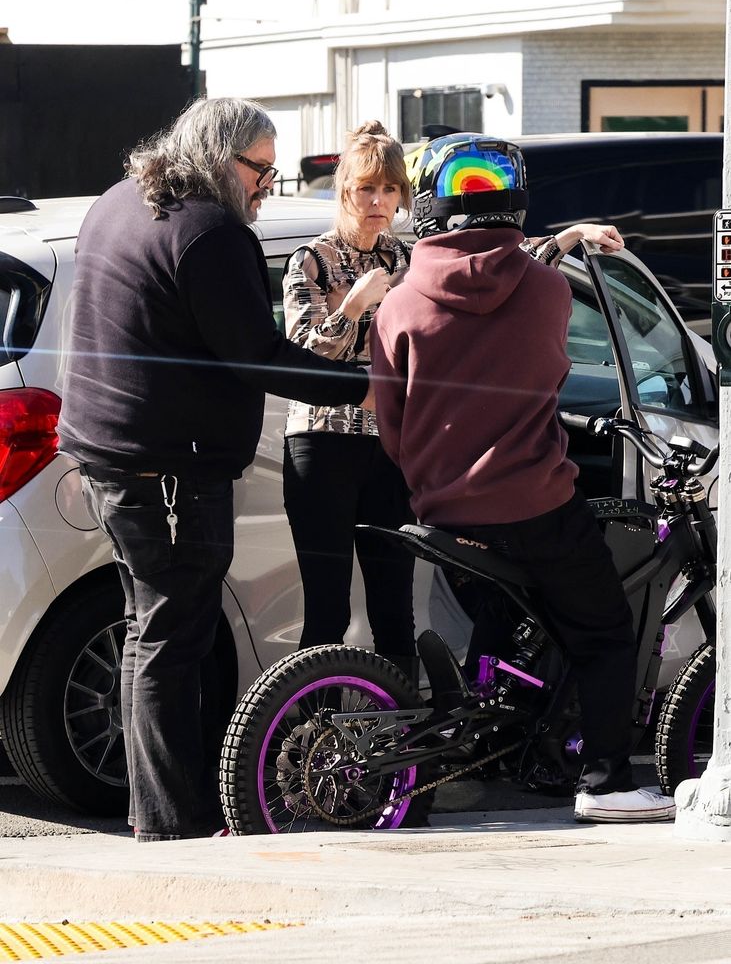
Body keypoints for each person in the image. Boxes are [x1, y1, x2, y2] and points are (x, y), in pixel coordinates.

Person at [56, 97, 373, 842]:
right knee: (172, 641)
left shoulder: (119, 200)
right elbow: (255, 357)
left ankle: (160, 814)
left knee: (152, 634)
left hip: (110, 452)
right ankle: (176, 826)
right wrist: (371, 386)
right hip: (169, 468)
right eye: (257, 168)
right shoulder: (211, 230)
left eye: (271, 170)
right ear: (215, 154)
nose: (265, 184)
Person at [370, 132, 677, 823]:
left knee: (497, 622)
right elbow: (550, 373)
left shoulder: (397, 304)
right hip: (533, 502)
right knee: (602, 633)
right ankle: (605, 784)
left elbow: (389, 419)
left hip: (441, 510)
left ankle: (498, 752)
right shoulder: (544, 292)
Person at [281, 121, 417, 682]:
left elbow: (487, 267)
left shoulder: (409, 260)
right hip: (321, 446)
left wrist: (566, 238)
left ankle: (403, 752)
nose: (380, 202)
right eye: (368, 189)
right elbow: (303, 357)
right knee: (327, 613)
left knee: (394, 610)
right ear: (344, 192)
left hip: (388, 447)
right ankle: (315, 748)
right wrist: (355, 305)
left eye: (390, 190)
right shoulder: (309, 261)